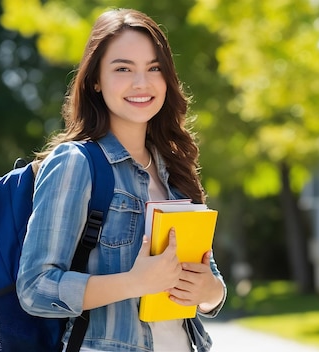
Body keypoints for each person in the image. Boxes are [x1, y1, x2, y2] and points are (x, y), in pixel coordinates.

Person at [16, 8, 226, 352]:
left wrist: (209, 293)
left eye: (153, 68)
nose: (141, 83)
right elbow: (35, 289)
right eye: (123, 68)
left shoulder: (173, 166)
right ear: (95, 80)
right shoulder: (75, 163)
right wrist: (133, 283)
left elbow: (211, 282)